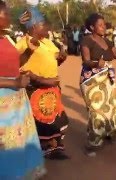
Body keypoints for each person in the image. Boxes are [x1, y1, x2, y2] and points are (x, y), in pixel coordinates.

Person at [0, 2, 46, 179]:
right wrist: (13, 83)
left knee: (18, 143)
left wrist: (28, 52)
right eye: (6, 13)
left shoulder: (7, 38)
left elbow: (15, 64)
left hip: (16, 102)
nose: (9, 17)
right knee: (6, 147)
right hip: (3, 103)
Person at [17, 7, 69, 160]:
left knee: (55, 119)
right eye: (43, 24)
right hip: (37, 89)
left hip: (52, 88)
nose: (47, 27)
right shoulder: (23, 43)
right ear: (34, 27)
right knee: (41, 121)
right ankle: (45, 149)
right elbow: (18, 66)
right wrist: (40, 80)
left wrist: (61, 58)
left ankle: (55, 147)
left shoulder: (47, 42)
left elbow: (53, 62)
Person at [80, 13, 116, 156]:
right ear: (92, 27)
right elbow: (85, 61)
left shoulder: (108, 41)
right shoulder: (86, 40)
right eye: (100, 25)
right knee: (96, 111)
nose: (103, 27)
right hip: (91, 80)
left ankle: (110, 134)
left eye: (104, 24)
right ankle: (93, 143)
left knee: (114, 107)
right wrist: (96, 63)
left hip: (108, 78)